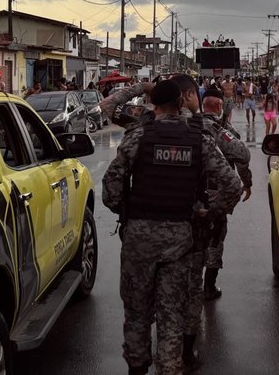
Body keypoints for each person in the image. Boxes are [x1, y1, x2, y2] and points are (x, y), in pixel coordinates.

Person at [102, 80, 241, 375]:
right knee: (171, 313)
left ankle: (137, 368)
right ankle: (170, 367)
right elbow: (232, 185)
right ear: (180, 102)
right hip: (180, 240)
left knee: (137, 310)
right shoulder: (199, 138)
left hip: (139, 239)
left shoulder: (138, 135)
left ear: (153, 105)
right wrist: (209, 213)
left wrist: (127, 211)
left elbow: (110, 187)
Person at [198, 90, 252, 302]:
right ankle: (208, 287)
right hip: (214, 194)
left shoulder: (187, 124)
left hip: (186, 195)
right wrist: (246, 182)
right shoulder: (220, 129)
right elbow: (241, 156)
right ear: (220, 107)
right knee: (215, 236)